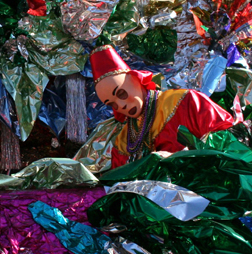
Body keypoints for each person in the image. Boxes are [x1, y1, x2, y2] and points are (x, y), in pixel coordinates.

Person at [90, 45, 235, 169]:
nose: (121, 106)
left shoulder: (187, 102)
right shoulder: (123, 143)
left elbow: (227, 143)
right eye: (112, 104)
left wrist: (178, 157)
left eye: (121, 93)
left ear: (136, 79)